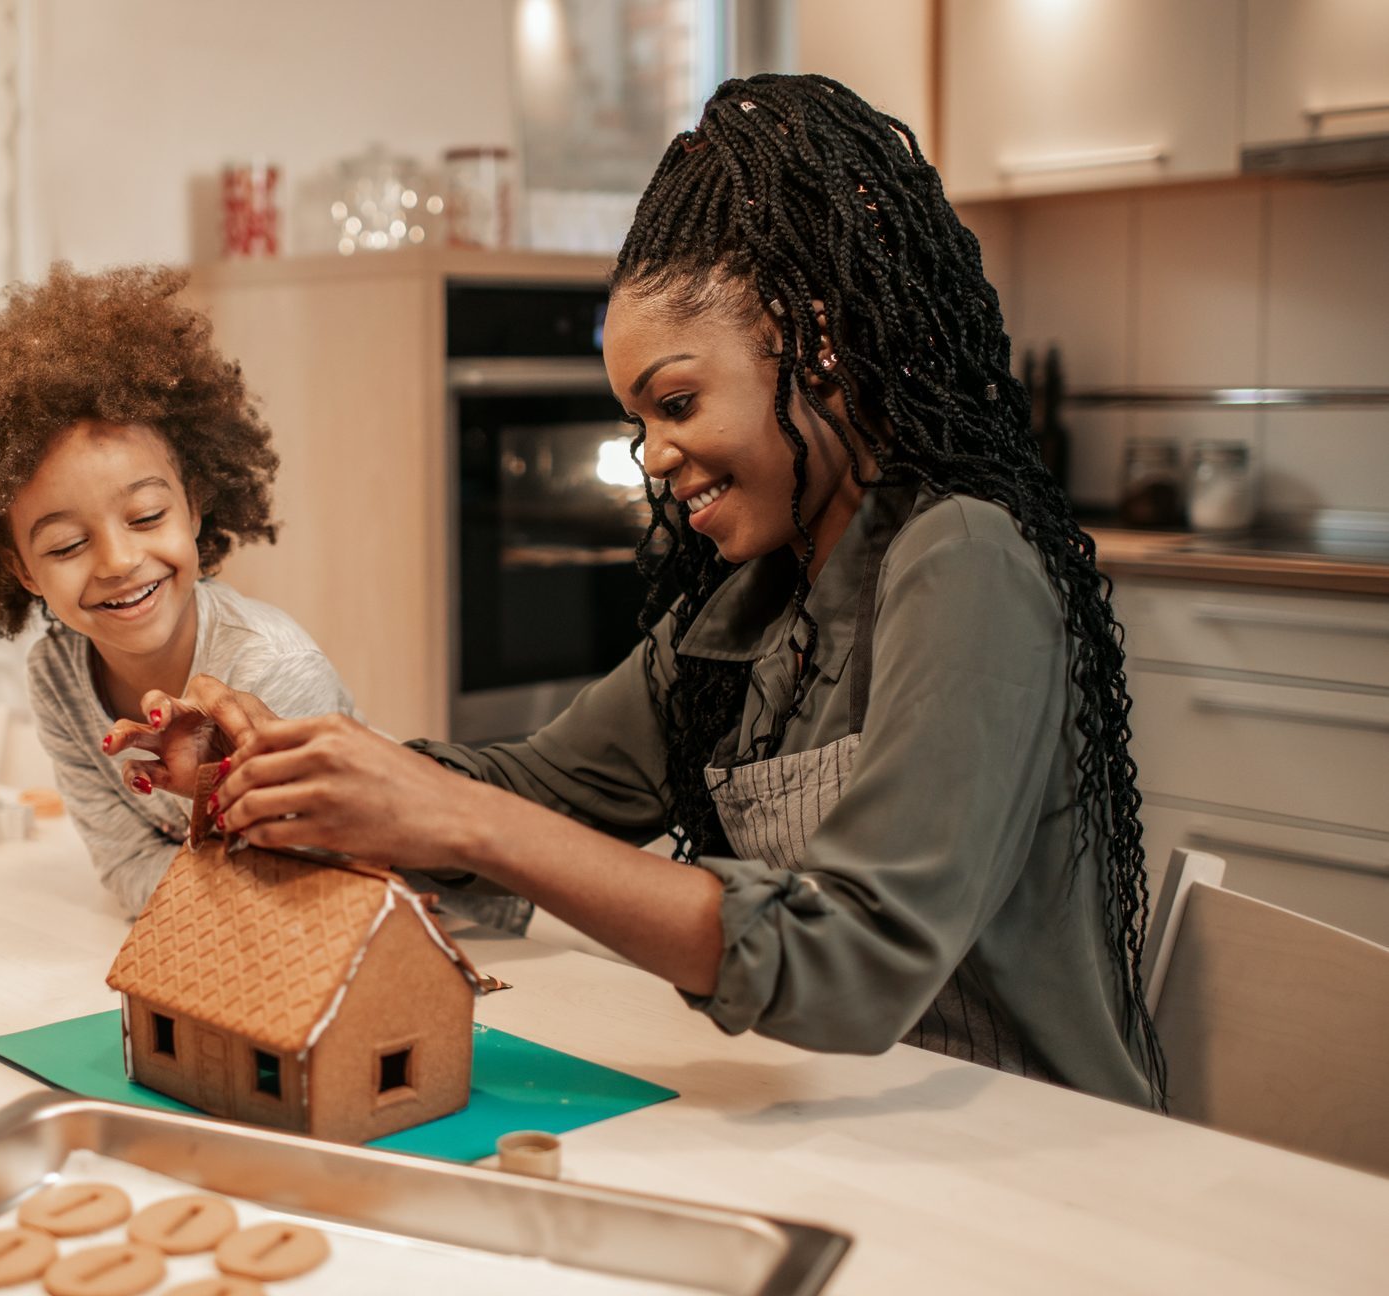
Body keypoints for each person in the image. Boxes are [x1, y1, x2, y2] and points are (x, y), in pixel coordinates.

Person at [112, 76, 1165, 1109]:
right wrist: (274, 778)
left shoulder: (961, 559)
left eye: (676, 401)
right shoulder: (746, 611)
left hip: (1035, 1148)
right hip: (835, 1113)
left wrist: (467, 821)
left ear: (817, 338)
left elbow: (853, 963)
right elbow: (528, 788)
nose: (654, 456)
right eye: (639, 418)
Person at [0, 264, 355, 916]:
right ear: (21, 571)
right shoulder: (56, 676)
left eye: (148, 517)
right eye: (67, 546)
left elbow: (307, 884)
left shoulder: (273, 671)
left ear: (196, 504)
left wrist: (190, 888)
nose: (119, 560)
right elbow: (125, 868)